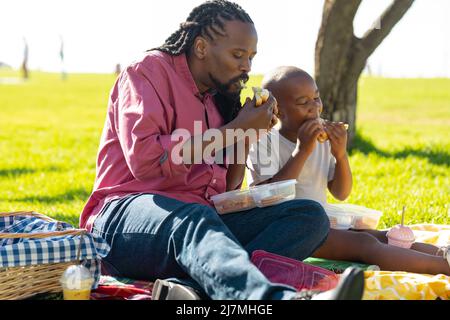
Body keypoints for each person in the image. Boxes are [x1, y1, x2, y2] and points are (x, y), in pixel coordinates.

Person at [80, 0, 364, 300]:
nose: (247, 67)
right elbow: (147, 160)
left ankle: (194, 288)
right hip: (123, 219)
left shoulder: (220, 98)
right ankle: (272, 298)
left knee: (308, 216)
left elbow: (227, 188)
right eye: (238, 55)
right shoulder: (147, 72)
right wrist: (234, 130)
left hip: (199, 223)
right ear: (201, 48)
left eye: (252, 57)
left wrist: (245, 136)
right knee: (194, 219)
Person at [247, 66, 450, 276]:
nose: (314, 107)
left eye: (316, 98)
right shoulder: (264, 141)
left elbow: (341, 192)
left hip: (322, 222)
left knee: (383, 236)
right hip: (292, 229)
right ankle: (442, 268)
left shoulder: (321, 140)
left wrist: (341, 155)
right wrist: (301, 151)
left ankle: (443, 255)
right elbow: (271, 197)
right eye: (302, 102)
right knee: (364, 244)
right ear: (278, 111)